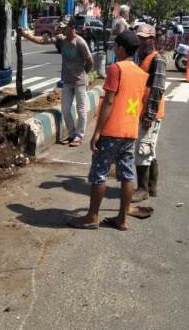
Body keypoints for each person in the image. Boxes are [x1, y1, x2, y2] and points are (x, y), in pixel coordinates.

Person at [67, 31, 148, 231]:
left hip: (112, 129)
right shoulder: (140, 72)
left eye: (115, 46)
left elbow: (109, 101)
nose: (113, 49)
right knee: (127, 174)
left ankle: (92, 216)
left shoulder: (116, 69)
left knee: (99, 173)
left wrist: (97, 133)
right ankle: (122, 218)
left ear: (121, 48)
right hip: (130, 130)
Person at [20, 16, 93, 146]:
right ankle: (71, 134)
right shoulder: (61, 39)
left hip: (80, 81)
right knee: (65, 109)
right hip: (67, 81)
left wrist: (84, 74)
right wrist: (25, 35)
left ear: (72, 27)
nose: (62, 30)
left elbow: (89, 60)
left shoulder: (80, 42)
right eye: (61, 27)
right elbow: (42, 41)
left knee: (81, 110)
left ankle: (79, 135)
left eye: (65, 27)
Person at [132, 24, 166, 203]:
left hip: (150, 113)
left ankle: (143, 189)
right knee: (149, 149)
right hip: (142, 109)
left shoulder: (157, 59)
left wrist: (149, 114)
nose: (140, 41)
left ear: (152, 39)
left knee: (143, 149)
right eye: (139, 37)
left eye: (144, 38)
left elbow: (157, 88)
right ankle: (152, 187)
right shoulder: (141, 56)